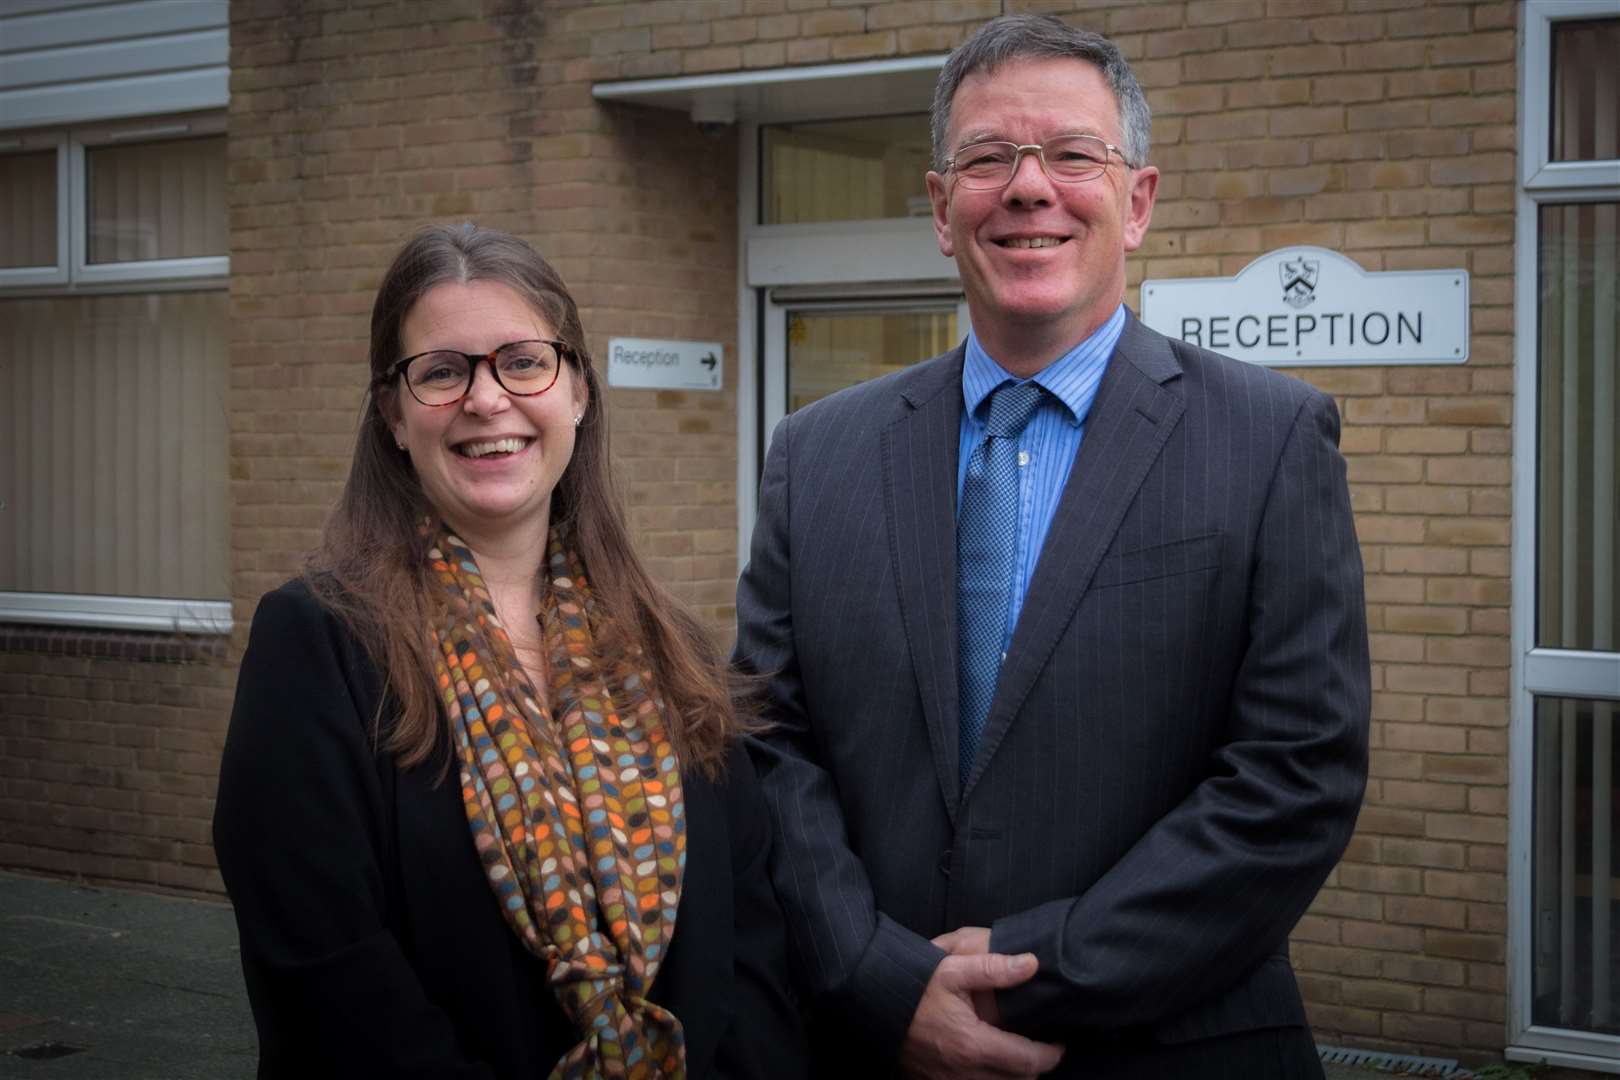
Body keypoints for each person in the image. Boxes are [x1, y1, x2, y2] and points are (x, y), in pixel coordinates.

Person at [734, 14, 1370, 1080]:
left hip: (1167, 1047)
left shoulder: (1268, 440)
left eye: (1074, 154)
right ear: (942, 210)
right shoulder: (816, 453)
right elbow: (767, 742)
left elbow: (1294, 776)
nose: (1030, 188)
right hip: (872, 1047)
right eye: (988, 158)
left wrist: (1045, 963)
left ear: (1139, 201)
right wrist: (883, 979)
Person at [215, 223, 804, 1079]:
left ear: (577, 394)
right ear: (393, 412)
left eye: (523, 361)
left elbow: (750, 942)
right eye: (443, 372)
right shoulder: (318, 643)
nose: (487, 400)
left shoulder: (668, 649)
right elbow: (325, 975)